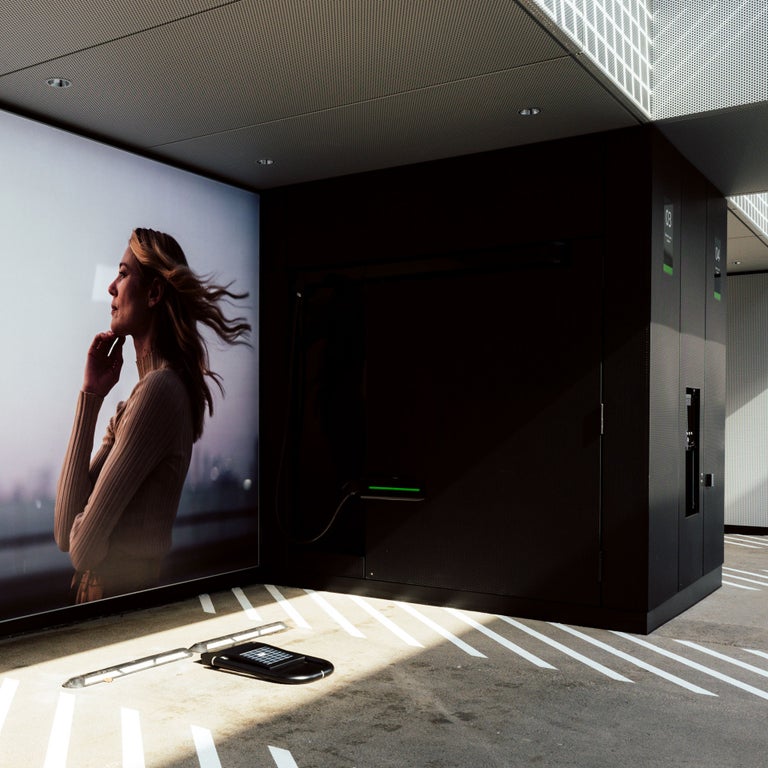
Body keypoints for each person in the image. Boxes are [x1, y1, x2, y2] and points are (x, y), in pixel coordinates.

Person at [54, 228, 251, 603]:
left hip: (121, 607)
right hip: (115, 607)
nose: (111, 287)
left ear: (155, 293)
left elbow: (81, 549)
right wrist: (91, 396)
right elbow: (66, 532)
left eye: (124, 273)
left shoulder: (159, 392)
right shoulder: (139, 400)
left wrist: (89, 528)